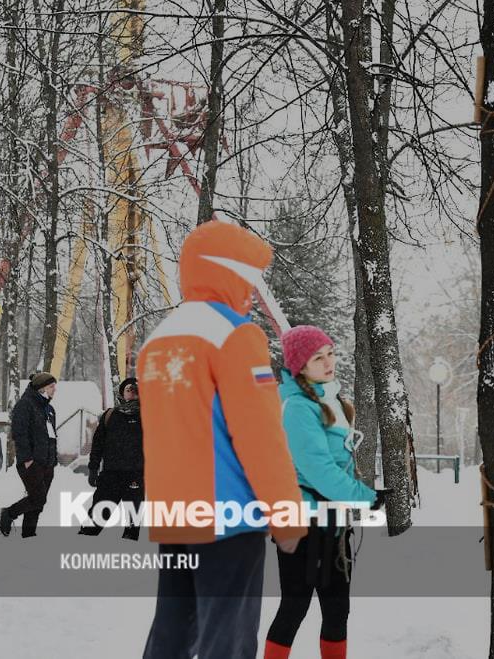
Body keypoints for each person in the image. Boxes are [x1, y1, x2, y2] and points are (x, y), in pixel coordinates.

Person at [138, 220, 307, 659]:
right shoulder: (235, 335)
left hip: (175, 511)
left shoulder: (158, 340)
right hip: (229, 513)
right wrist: (286, 515)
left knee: (173, 635)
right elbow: (260, 434)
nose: (252, 287)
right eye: (249, 275)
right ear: (229, 271)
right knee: (227, 640)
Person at [264, 326, 386, 659]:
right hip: (303, 523)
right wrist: (366, 497)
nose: (329, 362)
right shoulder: (298, 407)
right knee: (295, 606)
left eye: (330, 353)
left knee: (337, 609)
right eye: (318, 358)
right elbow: (319, 471)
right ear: (300, 366)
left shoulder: (327, 400)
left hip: (331, 522)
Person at [79, 377, 144, 540]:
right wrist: (93, 468)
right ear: (122, 393)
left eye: (136, 390)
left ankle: (129, 550)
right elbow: (97, 444)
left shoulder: (148, 416)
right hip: (110, 475)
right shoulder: (110, 415)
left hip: (135, 475)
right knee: (96, 519)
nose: (132, 393)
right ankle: (83, 544)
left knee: (132, 523)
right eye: (129, 389)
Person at [0, 371, 58, 539]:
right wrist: (26, 459)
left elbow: (51, 436)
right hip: (32, 462)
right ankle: (9, 513)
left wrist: (53, 460)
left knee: (37, 502)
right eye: (51, 386)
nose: (54, 390)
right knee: (38, 499)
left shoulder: (49, 409)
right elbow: (19, 434)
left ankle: (29, 535)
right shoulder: (25, 405)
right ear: (41, 388)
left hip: (48, 463)